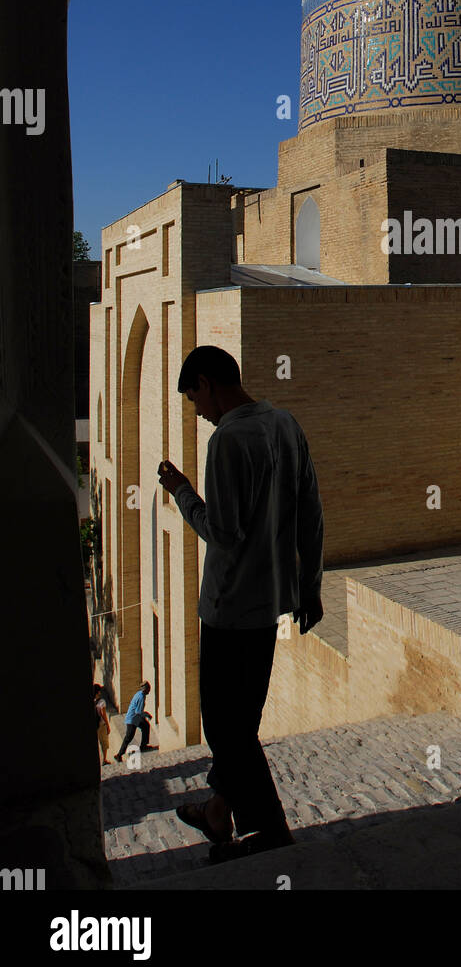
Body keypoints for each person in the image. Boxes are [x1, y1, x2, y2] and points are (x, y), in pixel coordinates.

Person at [158, 345, 324, 861]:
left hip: (229, 608)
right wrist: (310, 586)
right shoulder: (285, 424)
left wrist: (182, 492)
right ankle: (218, 811)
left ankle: (270, 828)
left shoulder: (228, 440)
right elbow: (310, 512)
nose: (199, 413)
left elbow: (222, 532)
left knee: (223, 724)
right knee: (241, 720)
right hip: (271, 601)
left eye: (195, 399)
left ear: (207, 383)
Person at [114, 682, 153, 761]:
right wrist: (147, 714)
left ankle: (143, 746)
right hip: (132, 719)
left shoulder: (139, 694)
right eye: (148, 689)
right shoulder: (141, 697)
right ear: (145, 689)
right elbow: (138, 711)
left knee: (145, 726)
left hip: (136, 718)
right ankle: (119, 755)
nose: (149, 691)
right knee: (128, 737)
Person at [94, 684, 111, 767]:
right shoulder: (101, 701)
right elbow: (103, 714)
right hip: (101, 724)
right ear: (98, 692)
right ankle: (104, 760)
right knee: (104, 742)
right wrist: (107, 725)